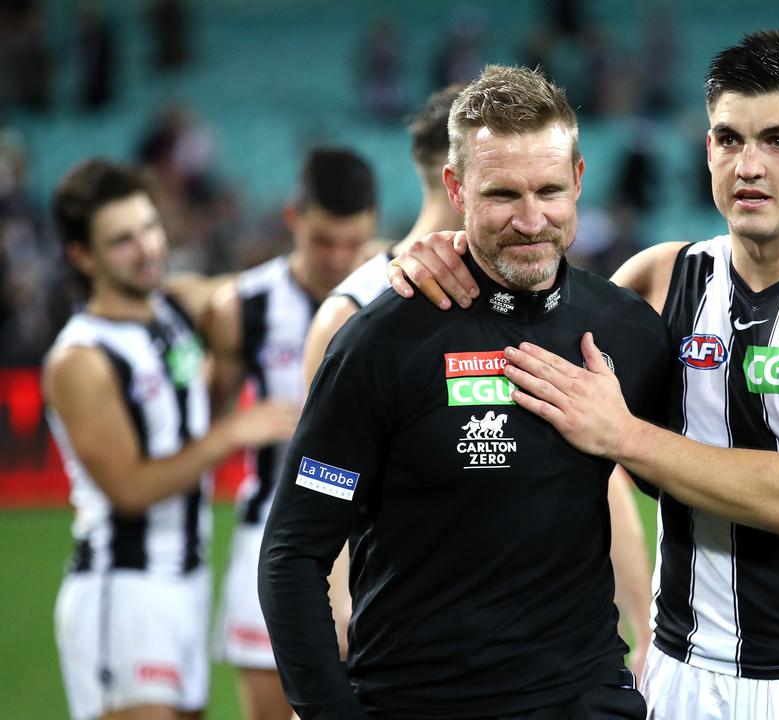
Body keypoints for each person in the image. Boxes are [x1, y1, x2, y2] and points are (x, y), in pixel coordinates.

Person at [390, 31, 779, 718]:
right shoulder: (660, 279)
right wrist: (440, 258)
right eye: (729, 139)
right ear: (707, 148)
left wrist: (622, 435)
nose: (749, 166)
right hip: (686, 679)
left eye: (778, 140)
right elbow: (520, 335)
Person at [259, 64, 661, 719]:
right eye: (503, 194)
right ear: (457, 188)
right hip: (419, 703)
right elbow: (292, 554)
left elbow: (702, 479)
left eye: (550, 190)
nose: (532, 220)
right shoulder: (380, 341)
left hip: (582, 700)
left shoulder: (626, 329)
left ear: (580, 181)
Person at [44, 159, 295, 720]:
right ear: (82, 257)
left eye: (150, 228)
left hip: (186, 581)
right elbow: (129, 487)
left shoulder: (174, 308)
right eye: (122, 241)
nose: (147, 248)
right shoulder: (80, 358)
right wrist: (230, 433)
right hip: (124, 589)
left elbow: (266, 289)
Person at [206, 147, 378, 720]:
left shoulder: (394, 293)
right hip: (270, 535)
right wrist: (234, 428)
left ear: (372, 227)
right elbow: (201, 419)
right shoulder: (243, 306)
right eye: (322, 240)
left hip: (368, 541)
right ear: (292, 218)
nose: (337, 258)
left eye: (351, 243)